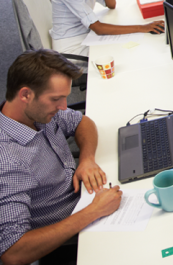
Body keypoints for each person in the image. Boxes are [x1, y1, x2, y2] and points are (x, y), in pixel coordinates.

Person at [0, 49, 122, 265]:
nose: (64, 107)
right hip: (68, 242)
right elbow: (13, 252)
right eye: (56, 99)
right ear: (25, 95)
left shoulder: (38, 113)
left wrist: (86, 159)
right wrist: (93, 212)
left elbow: (82, 122)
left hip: (86, 204)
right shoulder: (8, 160)